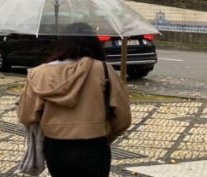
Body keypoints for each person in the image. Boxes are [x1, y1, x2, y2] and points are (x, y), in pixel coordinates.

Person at [16, 27, 132, 177]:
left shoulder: (39, 73)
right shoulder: (104, 70)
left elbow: (26, 116)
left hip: (56, 147)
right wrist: (108, 133)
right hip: (94, 146)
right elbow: (123, 118)